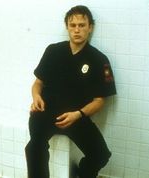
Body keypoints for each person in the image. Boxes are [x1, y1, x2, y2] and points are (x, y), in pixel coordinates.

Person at [25, 5, 116, 178]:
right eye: (72, 25)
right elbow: (37, 83)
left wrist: (78, 114)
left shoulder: (99, 60)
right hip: (46, 112)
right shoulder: (53, 51)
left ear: (90, 28)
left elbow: (99, 101)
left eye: (82, 25)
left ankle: (79, 174)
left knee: (101, 155)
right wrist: (36, 97)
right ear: (67, 26)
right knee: (34, 147)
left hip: (76, 116)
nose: (77, 30)